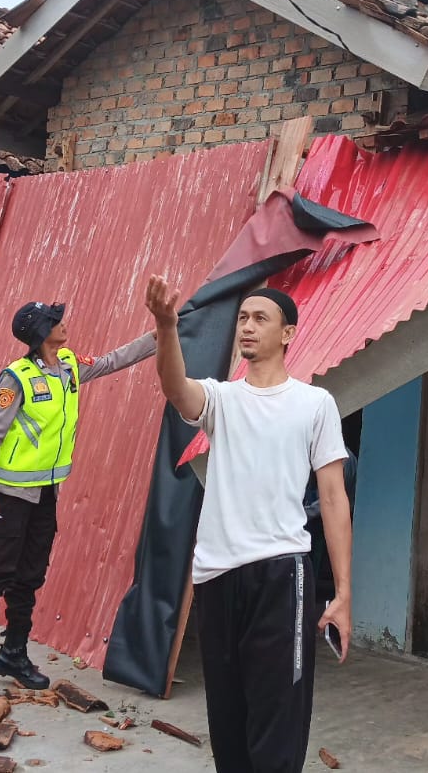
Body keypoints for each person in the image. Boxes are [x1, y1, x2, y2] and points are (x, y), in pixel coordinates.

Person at [144, 275, 354, 773]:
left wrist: (343, 593)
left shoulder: (314, 403)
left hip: (282, 571)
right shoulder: (221, 400)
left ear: (287, 333)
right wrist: (165, 325)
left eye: (261, 318)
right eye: (243, 318)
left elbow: (332, 496)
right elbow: (177, 390)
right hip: (216, 574)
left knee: (278, 714)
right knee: (228, 716)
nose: (247, 327)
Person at [0, 300, 156, 706]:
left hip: (46, 493)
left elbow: (110, 362)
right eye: (54, 321)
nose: (63, 324)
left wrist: (161, 335)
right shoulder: (17, 378)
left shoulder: (68, 365)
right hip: (8, 495)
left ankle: (12, 653)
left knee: (30, 576)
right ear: (39, 334)